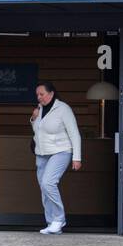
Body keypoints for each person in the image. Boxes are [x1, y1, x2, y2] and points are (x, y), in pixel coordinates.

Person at [31, 80, 82, 235]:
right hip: (42, 153)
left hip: (61, 151)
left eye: (42, 94)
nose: (39, 97)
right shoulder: (39, 109)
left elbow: (74, 134)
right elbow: (38, 131)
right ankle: (51, 223)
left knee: (48, 183)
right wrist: (33, 119)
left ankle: (59, 219)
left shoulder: (63, 109)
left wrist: (77, 157)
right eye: (37, 95)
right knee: (44, 188)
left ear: (51, 93)